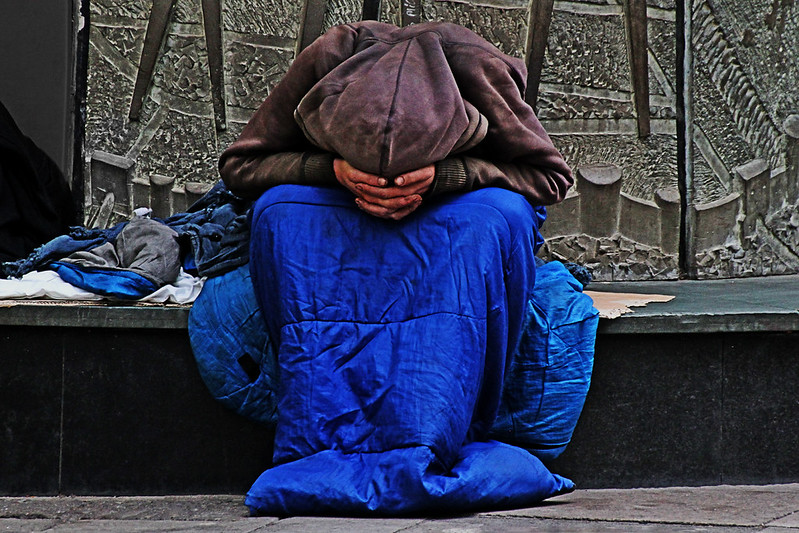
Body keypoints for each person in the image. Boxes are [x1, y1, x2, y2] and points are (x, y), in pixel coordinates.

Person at [218, 20, 576, 516]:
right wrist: (334, 171)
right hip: (337, 195)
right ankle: (323, 442)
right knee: (279, 210)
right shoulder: (327, 60)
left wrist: (448, 176)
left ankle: (429, 434)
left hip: (456, 204)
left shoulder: (476, 67)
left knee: (495, 218)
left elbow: (549, 176)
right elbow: (241, 166)